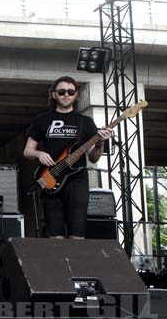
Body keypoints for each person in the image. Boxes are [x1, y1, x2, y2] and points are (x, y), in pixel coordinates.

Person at [23, 76, 112, 239]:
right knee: (54, 236)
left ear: (76, 95)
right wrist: (39, 154)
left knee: (77, 235)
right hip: (50, 178)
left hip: (77, 181)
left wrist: (100, 145)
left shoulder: (85, 122)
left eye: (70, 92)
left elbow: (93, 158)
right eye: (62, 91)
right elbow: (27, 151)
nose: (66, 95)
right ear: (54, 95)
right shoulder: (42, 120)